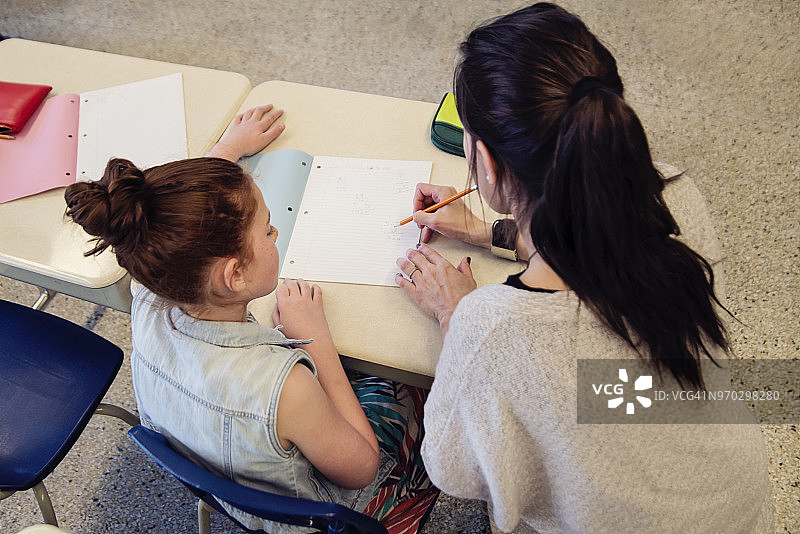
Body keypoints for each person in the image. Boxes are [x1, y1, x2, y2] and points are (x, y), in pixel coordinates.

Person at [395, 4, 773, 533]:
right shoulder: (672, 192)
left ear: (489, 163)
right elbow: (606, 381)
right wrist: (488, 230)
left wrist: (456, 317)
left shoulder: (496, 329)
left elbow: (454, 468)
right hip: (741, 505)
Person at [65, 105, 438, 534]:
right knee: (417, 379)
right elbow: (361, 469)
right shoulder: (286, 388)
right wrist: (315, 340)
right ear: (235, 275)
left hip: (228, 480)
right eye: (266, 229)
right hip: (330, 511)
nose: (275, 231)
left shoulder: (149, 284)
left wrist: (228, 152)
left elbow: (176, 225)